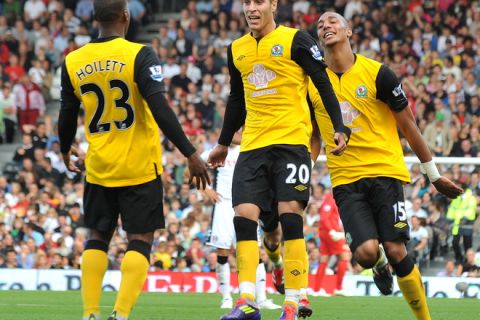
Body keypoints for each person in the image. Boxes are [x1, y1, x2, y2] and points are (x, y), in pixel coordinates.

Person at [58, 1, 210, 320]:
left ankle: (89, 313)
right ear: (126, 16)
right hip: (140, 168)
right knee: (139, 240)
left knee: (97, 237)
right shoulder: (140, 54)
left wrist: (64, 148)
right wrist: (190, 153)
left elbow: (67, 114)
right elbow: (159, 107)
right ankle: (121, 314)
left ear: (94, 18)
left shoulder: (72, 61)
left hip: (99, 168)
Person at [309, 12, 463, 320]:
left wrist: (433, 175)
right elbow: (313, 135)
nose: (325, 26)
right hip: (345, 180)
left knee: (396, 249)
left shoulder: (379, 74)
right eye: (320, 25)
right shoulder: (312, 82)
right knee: (366, 254)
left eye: (333, 21)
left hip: (385, 172)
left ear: (349, 30)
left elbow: (409, 126)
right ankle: (377, 266)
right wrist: (300, 181)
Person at [208, 1, 350, 319]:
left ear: (273, 4)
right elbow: (236, 98)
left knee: (290, 217)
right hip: (253, 146)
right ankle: (247, 301)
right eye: (246, 2)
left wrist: (338, 127)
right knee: (243, 216)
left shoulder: (296, 40)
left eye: (259, 1)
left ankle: (293, 301)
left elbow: (323, 82)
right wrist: (221, 143)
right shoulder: (237, 49)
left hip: (291, 145)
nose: (251, 8)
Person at [201, 131, 280, 310]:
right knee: (222, 251)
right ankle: (226, 297)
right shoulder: (217, 151)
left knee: (254, 251)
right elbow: (194, 164)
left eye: (239, 129)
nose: (236, 133)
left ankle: (261, 298)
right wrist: (205, 189)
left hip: (246, 204)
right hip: (223, 204)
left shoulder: (250, 149)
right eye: (234, 129)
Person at [312, 189, 349, 296]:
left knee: (324, 258)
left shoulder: (331, 200)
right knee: (344, 256)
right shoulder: (330, 200)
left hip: (325, 233)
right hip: (331, 233)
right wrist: (332, 231)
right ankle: (338, 288)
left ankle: (317, 289)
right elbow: (324, 218)